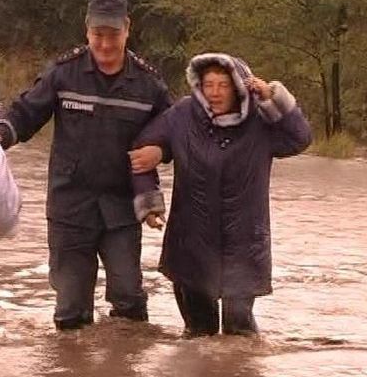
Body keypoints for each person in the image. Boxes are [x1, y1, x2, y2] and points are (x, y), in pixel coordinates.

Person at [0, 0, 173, 330]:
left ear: (127, 28)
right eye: (98, 35)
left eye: (113, 35)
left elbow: (177, 130)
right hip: (70, 206)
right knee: (71, 310)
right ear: (87, 30)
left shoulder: (148, 84)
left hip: (121, 209)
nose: (105, 45)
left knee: (130, 300)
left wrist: (161, 151)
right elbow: (25, 113)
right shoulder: (64, 74)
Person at [131, 52, 312, 337]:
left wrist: (273, 96)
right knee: (198, 336)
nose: (214, 93)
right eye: (208, 84)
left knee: (239, 334)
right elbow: (141, 150)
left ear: (239, 86)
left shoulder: (261, 120)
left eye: (223, 85)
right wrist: (149, 201)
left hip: (243, 245)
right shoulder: (182, 114)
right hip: (190, 243)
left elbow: (300, 139)